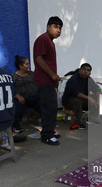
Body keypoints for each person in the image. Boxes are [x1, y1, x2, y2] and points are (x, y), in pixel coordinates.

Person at [33, 16, 63, 145]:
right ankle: (46, 135)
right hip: (44, 81)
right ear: (48, 27)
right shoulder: (43, 39)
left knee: (51, 108)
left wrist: (54, 76)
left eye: (60, 28)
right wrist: (52, 75)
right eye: (55, 27)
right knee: (48, 108)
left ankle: (50, 130)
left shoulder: (50, 41)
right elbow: (39, 59)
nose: (58, 30)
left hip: (49, 81)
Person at [62, 63, 100, 129]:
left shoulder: (89, 79)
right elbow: (76, 94)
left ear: (90, 73)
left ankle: (92, 118)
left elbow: (97, 89)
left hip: (83, 101)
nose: (86, 71)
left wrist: (99, 100)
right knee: (77, 100)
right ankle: (79, 123)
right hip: (69, 102)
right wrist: (89, 98)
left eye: (88, 70)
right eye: (84, 69)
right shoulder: (73, 79)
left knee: (99, 96)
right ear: (79, 70)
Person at [11, 55, 42, 132]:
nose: (29, 65)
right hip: (22, 99)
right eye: (27, 64)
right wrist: (18, 96)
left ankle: (43, 120)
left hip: (34, 97)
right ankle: (15, 124)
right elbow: (10, 89)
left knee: (43, 103)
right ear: (20, 66)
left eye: (28, 63)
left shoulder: (32, 74)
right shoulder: (13, 77)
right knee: (19, 107)